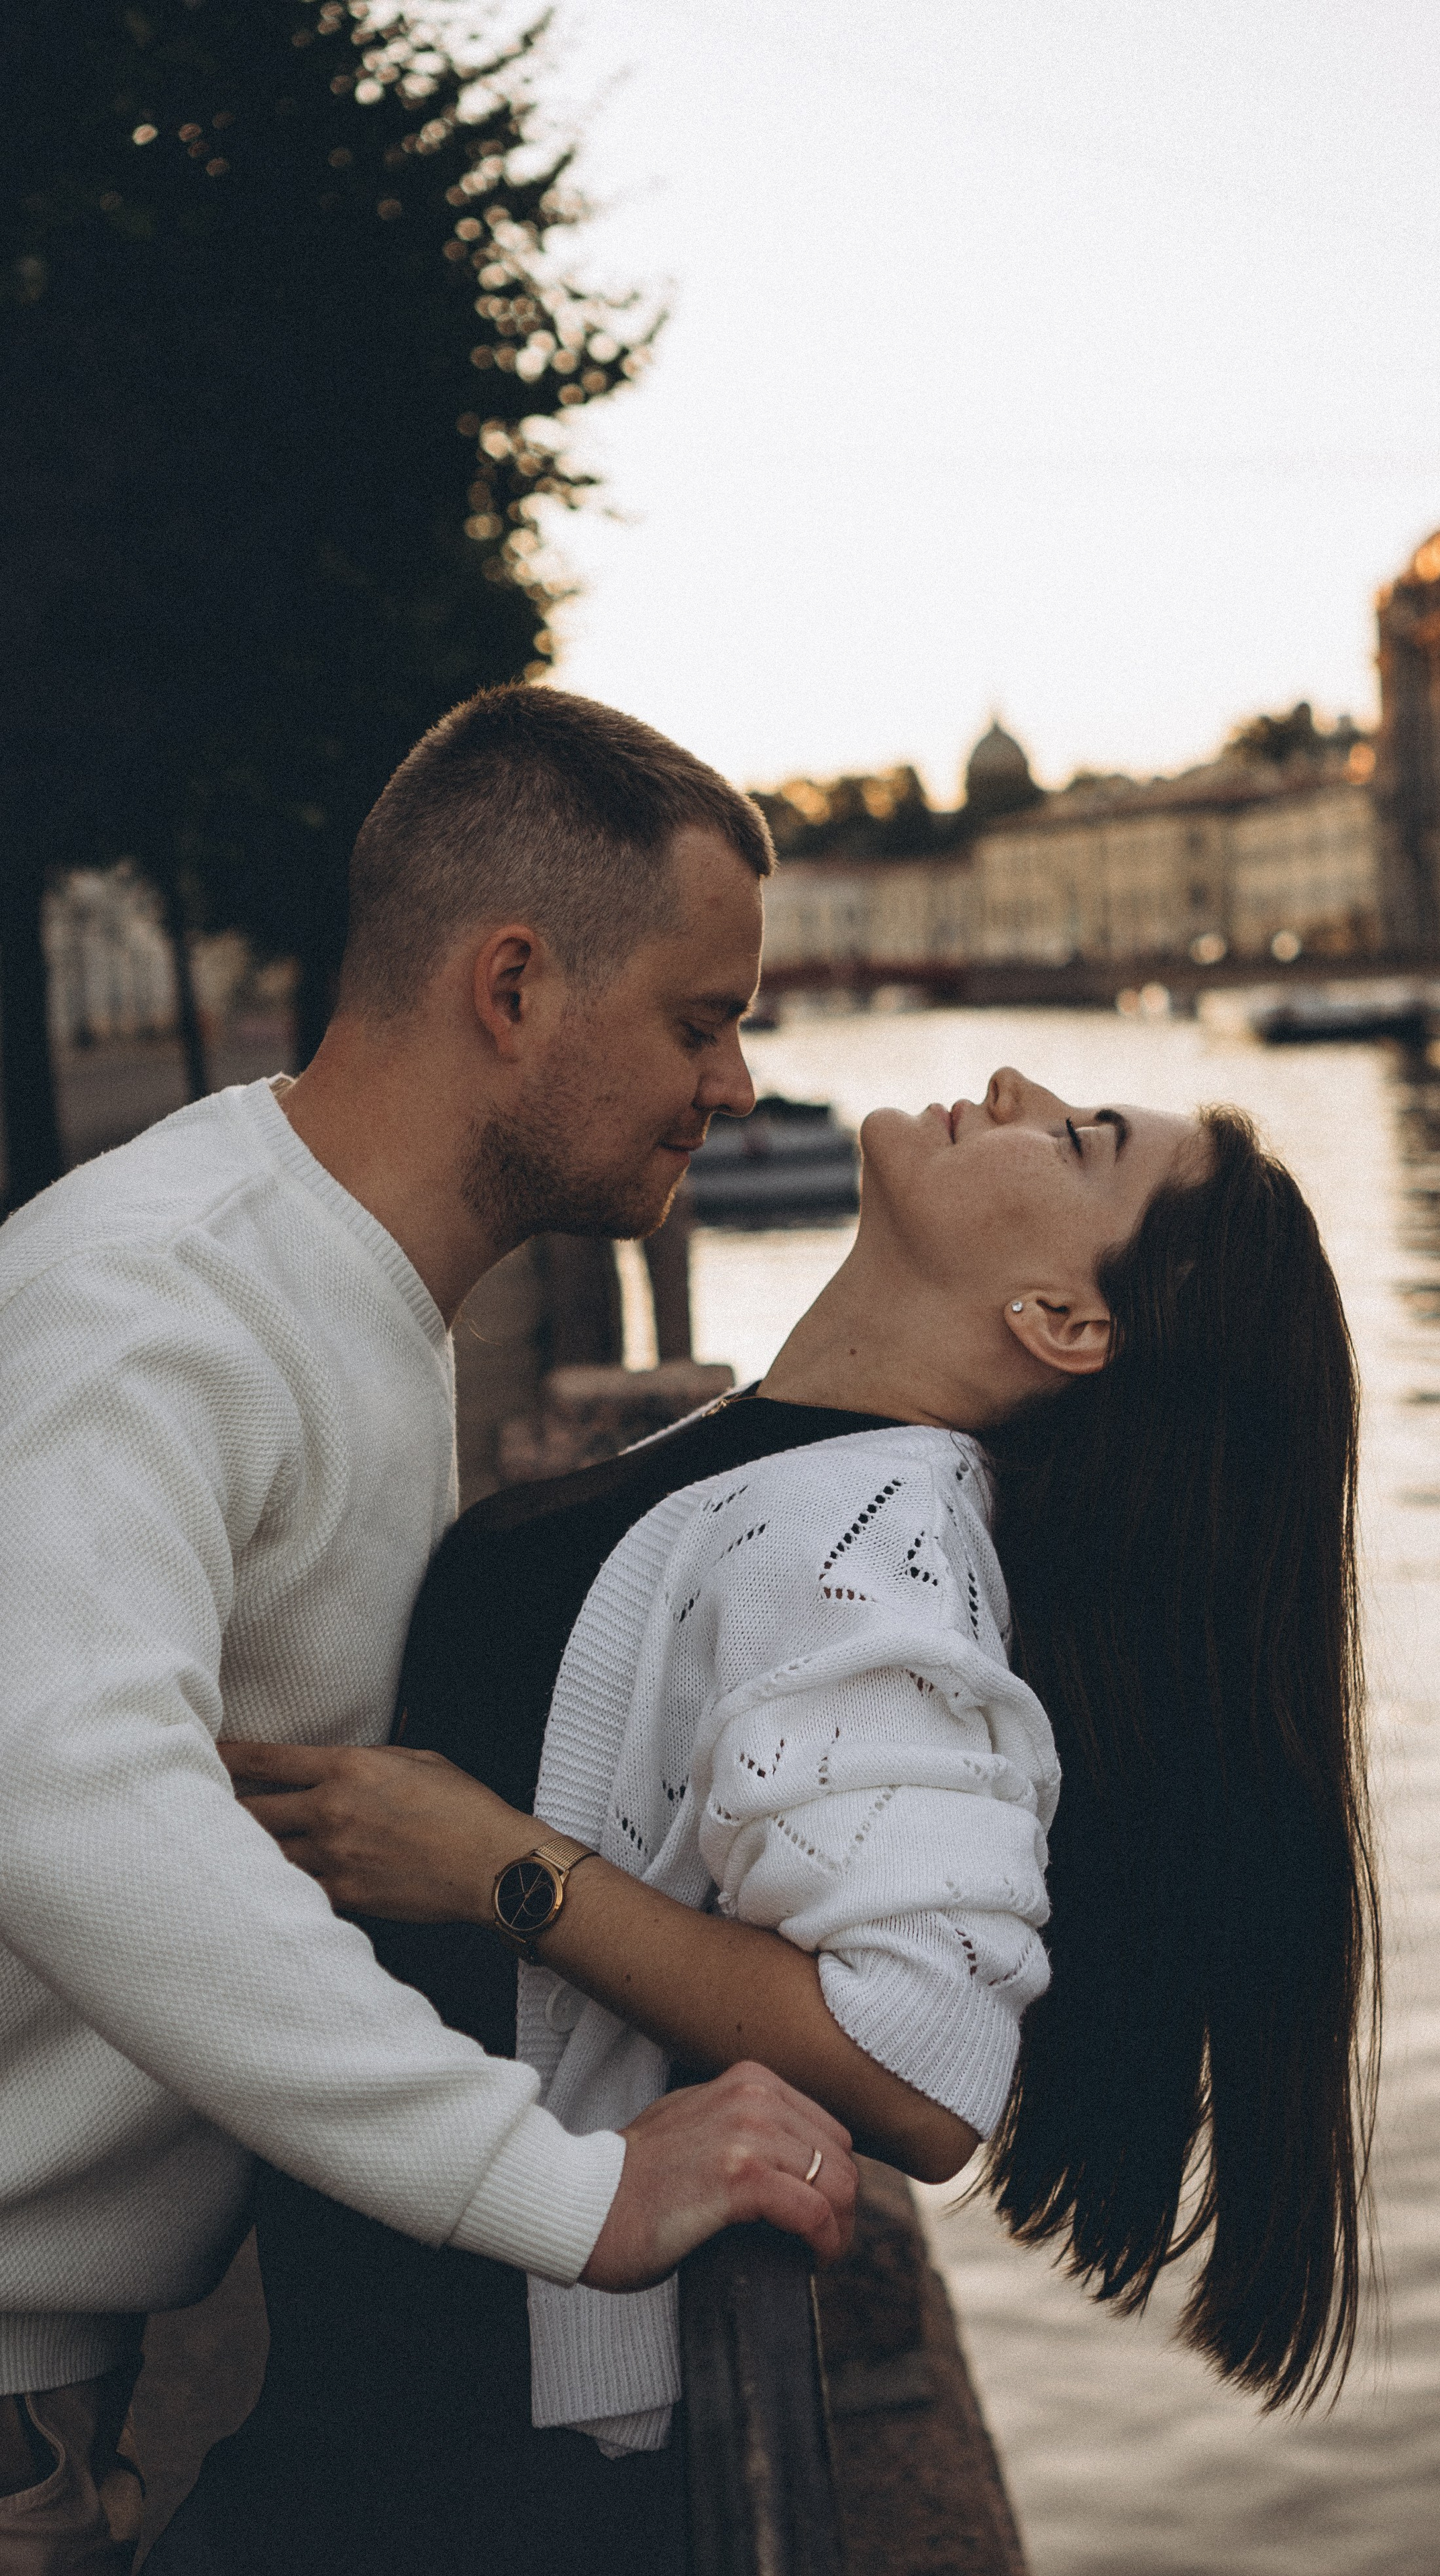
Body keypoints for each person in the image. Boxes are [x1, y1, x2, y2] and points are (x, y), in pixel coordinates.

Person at [195, 1064, 1380, 2573]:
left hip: (485, 2460)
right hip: (397, 2379)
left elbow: (920, 2066)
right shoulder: (807, 1468)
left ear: (1063, 1322)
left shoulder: (859, 1542)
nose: (1014, 1086)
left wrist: (497, 1866)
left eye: (1078, 1139)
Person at [0, 687, 862, 2576]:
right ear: (515, 987)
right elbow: (63, 1793)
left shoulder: (348, 1291)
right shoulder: (156, 1299)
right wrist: (558, 2191)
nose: (734, 1086)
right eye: (700, 1022)